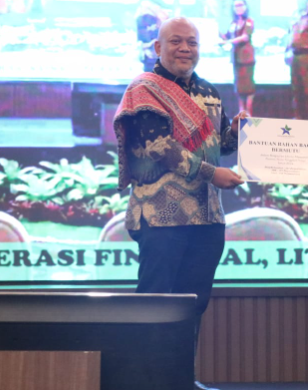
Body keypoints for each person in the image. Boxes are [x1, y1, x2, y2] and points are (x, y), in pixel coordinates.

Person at [113, 17, 246, 390]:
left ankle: (180, 381)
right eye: (175, 42)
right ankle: (144, 383)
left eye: (192, 42)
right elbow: (158, 148)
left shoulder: (210, 91)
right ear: (158, 47)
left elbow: (221, 145)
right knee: (155, 304)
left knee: (193, 303)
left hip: (206, 216)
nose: (185, 48)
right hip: (160, 216)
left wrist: (236, 133)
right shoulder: (143, 90)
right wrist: (211, 173)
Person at [219, 0, 255, 115]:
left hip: (247, 58)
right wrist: (222, 37)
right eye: (235, 6)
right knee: (238, 85)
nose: (238, 8)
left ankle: (249, 111)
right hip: (236, 58)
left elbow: (245, 37)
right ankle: (241, 110)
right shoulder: (233, 23)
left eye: (240, 5)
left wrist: (228, 41)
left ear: (245, 7)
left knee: (248, 86)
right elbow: (227, 37)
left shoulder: (249, 21)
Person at [136, 0, 171, 72]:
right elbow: (143, 39)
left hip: (158, 57)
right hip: (150, 57)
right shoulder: (144, 17)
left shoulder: (160, 16)